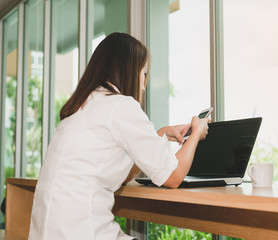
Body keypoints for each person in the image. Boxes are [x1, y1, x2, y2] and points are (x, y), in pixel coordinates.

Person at [28, 32, 210, 240]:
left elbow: (119, 176)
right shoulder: (121, 105)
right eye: (144, 74)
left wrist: (158, 135)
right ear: (129, 71)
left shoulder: (82, 105)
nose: (143, 85)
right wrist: (197, 131)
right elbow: (173, 177)